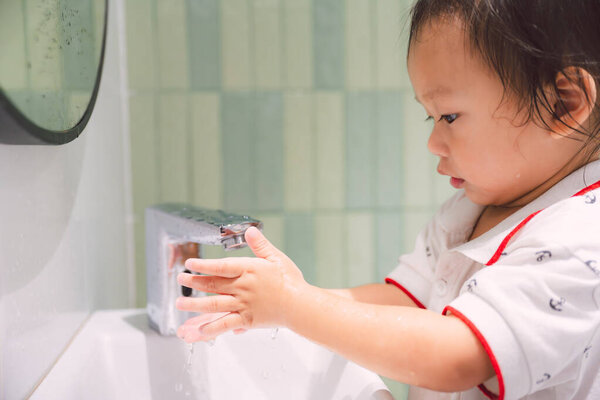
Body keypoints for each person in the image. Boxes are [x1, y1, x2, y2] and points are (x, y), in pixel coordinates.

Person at [175, 1, 600, 398]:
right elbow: (410, 300)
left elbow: (457, 356)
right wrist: (288, 295)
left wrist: (294, 305)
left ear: (563, 104)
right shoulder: (473, 208)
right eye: (430, 117)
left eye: (449, 116)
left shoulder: (581, 240)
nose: (434, 142)